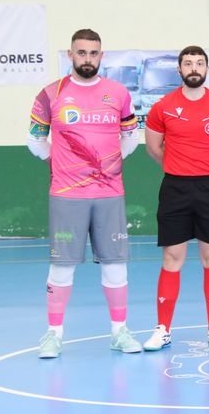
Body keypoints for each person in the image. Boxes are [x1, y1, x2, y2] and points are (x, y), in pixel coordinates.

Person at [27, 28, 142, 358]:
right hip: (67, 195)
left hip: (109, 194)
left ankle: (119, 332)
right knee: (61, 266)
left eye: (93, 53)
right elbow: (35, 140)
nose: (87, 59)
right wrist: (59, 163)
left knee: (115, 264)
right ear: (71, 55)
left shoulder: (118, 93)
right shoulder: (50, 94)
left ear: (101, 56)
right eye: (81, 53)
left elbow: (131, 136)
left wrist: (109, 165)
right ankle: (53, 335)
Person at [142, 45, 209, 351]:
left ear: (207, 68)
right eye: (188, 63)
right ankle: (163, 329)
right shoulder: (163, 107)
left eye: (199, 63)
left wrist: (206, 167)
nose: (194, 68)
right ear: (179, 69)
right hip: (175, 189)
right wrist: (180, 167)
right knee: (172, 257)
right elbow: (154, 148)